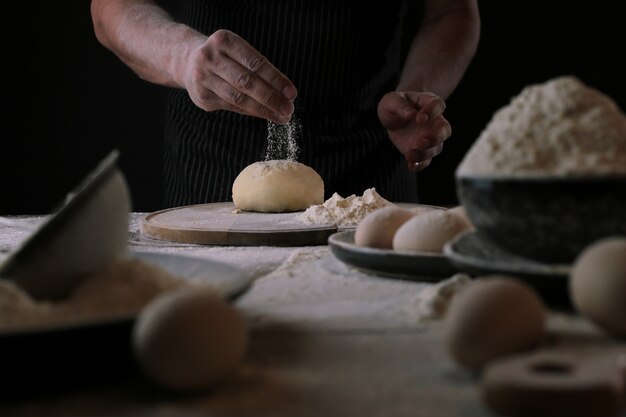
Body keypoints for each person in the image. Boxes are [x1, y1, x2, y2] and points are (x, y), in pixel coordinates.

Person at [91, 0, 480, 207]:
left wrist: (417, 93)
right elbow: (110, 7)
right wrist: (181, 57)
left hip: (370, 166)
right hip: (213, 164)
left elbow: (451, 10)